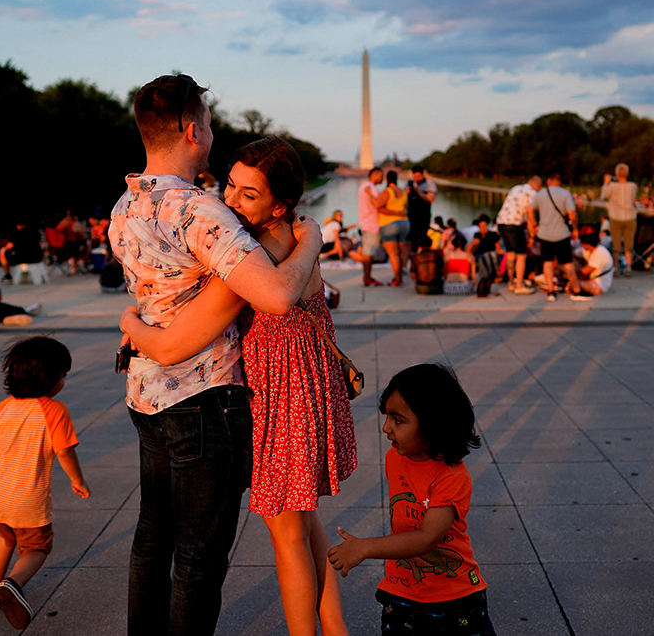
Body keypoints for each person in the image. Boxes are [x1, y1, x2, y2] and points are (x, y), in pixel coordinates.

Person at [108, 75, 322, 636]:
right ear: (192, 130)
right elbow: (276, 295)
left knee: (151, 540)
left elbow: (153, 301)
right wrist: (313, 241)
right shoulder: (201, 212)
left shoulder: (124, 206)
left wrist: (131, 322)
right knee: (199, 561)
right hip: (204, 401)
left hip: (147, 393)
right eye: (208, 121)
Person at [327, 363, 496, 636]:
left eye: (398, 420)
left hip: (454, 598)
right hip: (402, 591)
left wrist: (364, 548)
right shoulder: (395, 458)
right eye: (387, 417)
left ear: (433, 423)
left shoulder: (452, 477)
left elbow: (427, 536)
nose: (385, 428)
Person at [0, 336, 90, 630]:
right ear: (50, 378)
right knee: (37, 547)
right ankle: (12, 584)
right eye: (63, 375)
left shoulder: (2, 408)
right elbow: (65, 451)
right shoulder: (54, 410)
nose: (63, 381)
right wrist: (78, 480)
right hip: (29, 498)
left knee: (6, 538)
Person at [527, 172, 585, 302]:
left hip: (544, 234)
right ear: (559, 181)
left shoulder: (541, 194)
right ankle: (576, 290)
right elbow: (572, 215)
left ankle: (551, 291)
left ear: (548, 181)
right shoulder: (565, 194)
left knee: (547, 262)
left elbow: (529, 210)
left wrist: (535, 226)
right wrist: (575, 228)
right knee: (567, 263)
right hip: (561, 234)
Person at [496, 176, 542, 294]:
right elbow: (530, 215)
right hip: (515, 224)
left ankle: (511, 282)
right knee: (521, 255)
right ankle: (519, 285)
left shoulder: (515, 188)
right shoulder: (532, 193)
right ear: (538, 186)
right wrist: (532, 234)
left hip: (501, 222)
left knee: (510, 253)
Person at [372, 170, 410, 286]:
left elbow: (378, 206)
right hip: (405, 224)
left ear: (387, 180)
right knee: (401, 252)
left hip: (389, 225)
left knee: (393, 254)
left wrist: (369, 195)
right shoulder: (403, 192)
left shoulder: (387, 192)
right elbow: (405, 207)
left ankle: (397, 279)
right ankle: (400, 275)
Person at [602, 163, 639, 276]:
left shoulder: (612, 186)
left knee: (616, 244)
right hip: (630, 218)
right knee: (629, 244)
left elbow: (604, 196)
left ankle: (615, 268)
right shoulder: (633, 186)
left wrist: (606, 183)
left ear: (616, 174)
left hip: (616, 218)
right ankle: (628, 267)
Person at [352, 167, 387, 286]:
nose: (383, 179)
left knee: (369, 252)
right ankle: (367, 278)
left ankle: (368, 277)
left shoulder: (364, 187)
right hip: (371, 225)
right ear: (375, 175)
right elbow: (377, 204)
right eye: (381, 176)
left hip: (366, 223)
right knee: (368, 253)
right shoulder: (371, 188)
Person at [572, 227, 614, 299]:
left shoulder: (600, 253)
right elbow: (575, 254)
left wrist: (570, 273)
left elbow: (585, 271)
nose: (581, 245)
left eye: (582, 243)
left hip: (600, 285)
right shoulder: (589, 250)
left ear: (587, 244)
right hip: (592, 279)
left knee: (574, 285)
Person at [406, 164, 437, 252]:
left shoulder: (429, 184)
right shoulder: (410, 183)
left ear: (423, 174)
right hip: (411, 216)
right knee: (411, 239)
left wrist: (418, 192)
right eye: (415, 176)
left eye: (419, 176)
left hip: (424, 216)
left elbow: (430, 199)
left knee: (422, 238)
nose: (417, 179)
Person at [467, 215, 504, 287]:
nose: (483, 228)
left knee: (491, 256)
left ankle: (495, 274)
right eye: (481, 227)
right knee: (481, 257)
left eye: (484, 226)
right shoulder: (477, 235)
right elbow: (470, 250)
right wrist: (473, 244)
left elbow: (498, 248)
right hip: (480, 254)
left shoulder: (493, 234)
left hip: (491, 254)